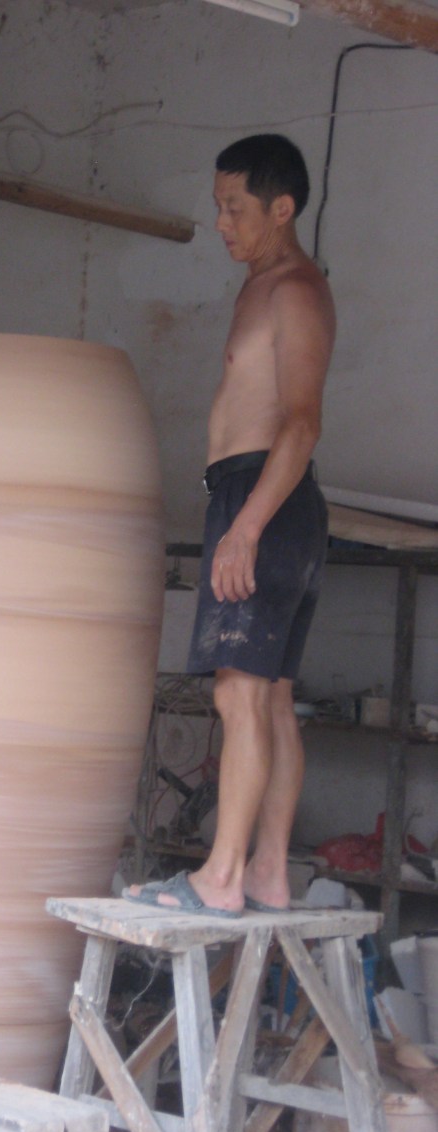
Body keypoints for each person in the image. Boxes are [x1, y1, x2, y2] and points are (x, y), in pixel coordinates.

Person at [127, 134, 336, 917]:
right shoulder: (263, 285)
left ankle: (219, 877)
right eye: (218, 206)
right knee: (272, 701)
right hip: (258, 499)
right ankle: (268, 875)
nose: (221, 222)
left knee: (238, 700)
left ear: (281, 209)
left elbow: (302, 424)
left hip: (265, 500)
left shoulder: (296, 292)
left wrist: (246, 526)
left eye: (234, 208)